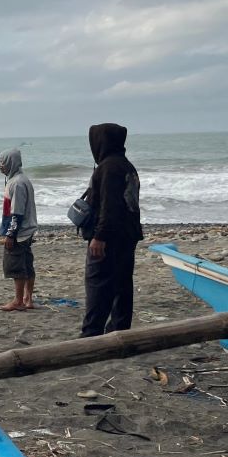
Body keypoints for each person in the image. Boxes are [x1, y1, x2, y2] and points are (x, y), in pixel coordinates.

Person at [79, 124, 143, 337]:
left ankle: (91, 335)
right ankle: (119, 332)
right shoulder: (126, 165)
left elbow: (110, 205)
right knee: (122, 285)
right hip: (127, 235)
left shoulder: (108, 167)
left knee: (98, 286)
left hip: (109, 238)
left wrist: (100, 236)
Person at [0, 149, 38, 311]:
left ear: (11, 162)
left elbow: (17, 213)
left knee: (16, 266)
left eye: (2, 162)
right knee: (27, 264)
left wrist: (10, 235)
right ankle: (28, 299)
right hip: (26, 230)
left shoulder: (17, 183)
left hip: (20, 232)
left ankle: (18, 301)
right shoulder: (20, 179)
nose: (0, 165)